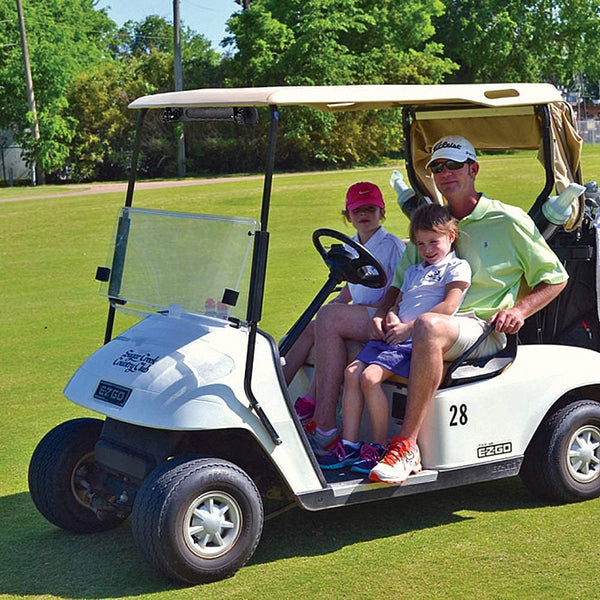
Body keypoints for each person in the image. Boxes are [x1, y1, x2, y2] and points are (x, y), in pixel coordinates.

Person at [367, 134, 569, 484]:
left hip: (481, 328)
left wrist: (519, 311)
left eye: (454, 165)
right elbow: (400, 283)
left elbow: (555, 278)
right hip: (431, 320)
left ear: (473, 169)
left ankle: (407, 446)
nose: (445, 173)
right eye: (438, 167)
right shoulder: (433, 224)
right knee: (332, 318)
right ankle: (325, 430)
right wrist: (382, 311)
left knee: (429, 326)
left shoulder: (509, 220)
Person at [317, 204, 471, 472]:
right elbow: (398, 302)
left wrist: (407, 328)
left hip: (414, 339)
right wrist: (390, 315)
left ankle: (377, 448)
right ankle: (350, 445)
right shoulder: (413, 271)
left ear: (451, 236)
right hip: (395, 334)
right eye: (421, 244)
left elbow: (448, 307)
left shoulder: (456, 267)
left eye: (434, 242)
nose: (427, 250)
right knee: (352, 372)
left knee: (368, 377)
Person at [282, 181, 405, 446]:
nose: (364, 215)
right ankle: (275, 400)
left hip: (383, 317)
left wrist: (370, 310)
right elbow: (351, 287)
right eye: (358, 209)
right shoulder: (349, 246)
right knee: (310, 327)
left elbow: (401, 286)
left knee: (329, 317)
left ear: (382, 212)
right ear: (348, 215)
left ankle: (324, 425)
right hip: (361, 314)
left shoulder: (393, 246)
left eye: (371, 209)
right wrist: (337, 303)